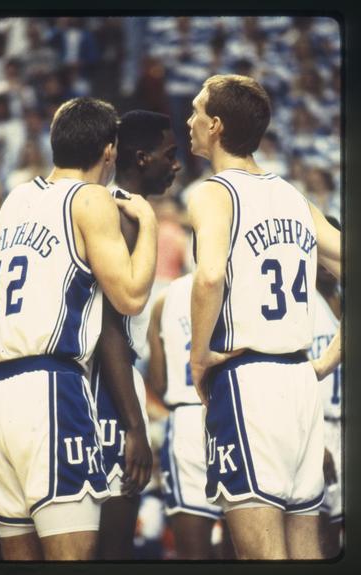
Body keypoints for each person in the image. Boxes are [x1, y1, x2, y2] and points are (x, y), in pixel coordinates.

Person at [0, 97, 158, 561]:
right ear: (110, 150)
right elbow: (132, 297)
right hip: (50, 390)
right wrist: (150, 225)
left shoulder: (15, 197)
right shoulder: (89, 198)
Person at [186, 74, 341, 560]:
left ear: (214, 126)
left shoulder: (213, 192)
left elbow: (209, 276)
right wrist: (329, 359)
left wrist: (197, 357)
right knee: (306, 548)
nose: (188, 120)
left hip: (247, 380)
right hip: (300, 382)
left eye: (195, 111)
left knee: (261, 557)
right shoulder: (294, 197)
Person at [92, 110, 181, 559]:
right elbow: (111, 329)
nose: (177, 164)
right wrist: (135, 426)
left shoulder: (116, 206)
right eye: (170, 154)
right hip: (106, 395)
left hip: (102, 387)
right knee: (112, 547)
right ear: (142, 158)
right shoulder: (122, 213)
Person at [148, 272, 234, 560]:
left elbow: (158, 381)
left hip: (185, 419)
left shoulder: (164, 298)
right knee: (243, 545)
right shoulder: (240, 281)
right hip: (234, 415)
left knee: (192, 553)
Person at [307, 215, 343, 558]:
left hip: (344, 428)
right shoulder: (301, 306)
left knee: (337, 538)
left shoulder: (346, 302)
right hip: (314, 428)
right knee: (316, 534)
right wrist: (316, 441)